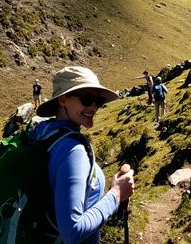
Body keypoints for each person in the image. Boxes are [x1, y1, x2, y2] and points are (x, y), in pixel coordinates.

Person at [33, 66, 135, 243]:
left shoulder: (42, 134)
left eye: (99, 101)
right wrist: (117, 194)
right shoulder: (73, 151)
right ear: (63, 99)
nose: (94, 107)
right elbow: (73, 232)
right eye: (87, 99)